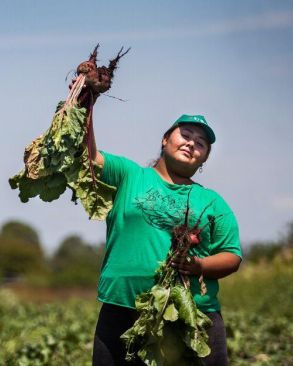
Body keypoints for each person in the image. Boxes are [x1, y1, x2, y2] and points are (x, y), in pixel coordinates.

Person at [90, 114, 242, 366]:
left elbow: (232, 255)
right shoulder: (130, 175)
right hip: (121, 309)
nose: (192, 143)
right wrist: (87, 102)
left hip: (191, 316)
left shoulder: (213, 202)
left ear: (204, 158)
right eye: (185, 135)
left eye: (201, 143)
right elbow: (90, 157)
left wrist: (198, 266)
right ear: (164, 140)